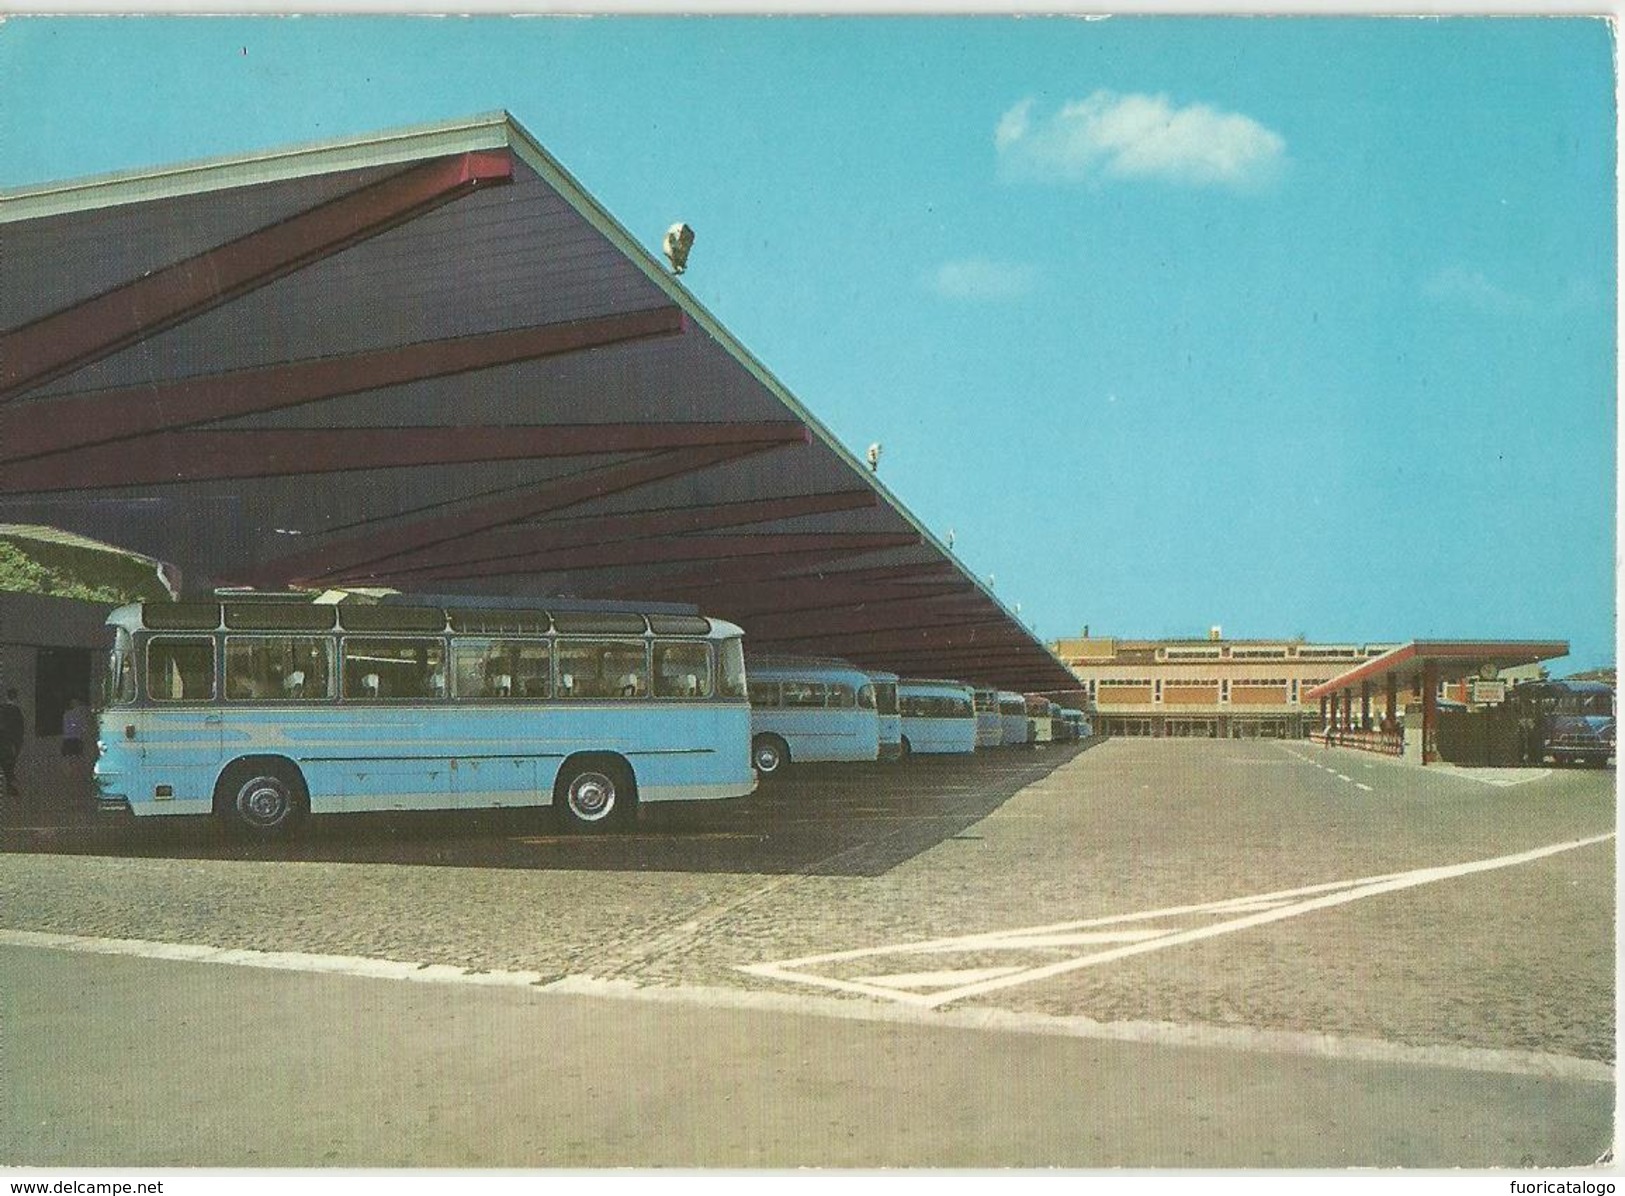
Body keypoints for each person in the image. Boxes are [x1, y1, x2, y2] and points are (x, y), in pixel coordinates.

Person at [0, 687, 24, 800]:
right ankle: (10, 784)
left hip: (3, 739)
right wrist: (17, 743)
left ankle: (10, 784)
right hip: (9, 740)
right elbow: (19, 729)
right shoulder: (15, 710)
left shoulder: (2, 708)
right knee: (9, 762)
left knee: (6, 763)